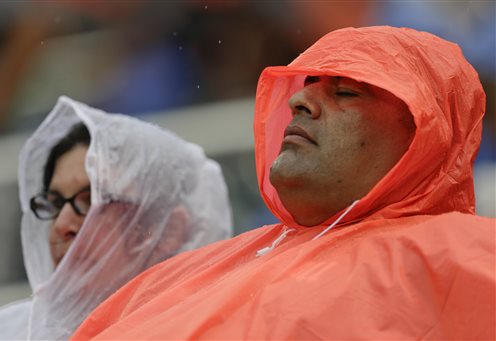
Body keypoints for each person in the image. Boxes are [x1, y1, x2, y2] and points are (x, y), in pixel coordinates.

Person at [72, 26, 495, 340]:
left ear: (424, 131)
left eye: (345, 91)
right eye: (307, 85)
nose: (298, 100)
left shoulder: (462, 257)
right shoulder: (191, 270)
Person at [0, 96, 232, 340]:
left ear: (168, 230)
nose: (61, 226)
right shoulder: (3, 334)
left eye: (93, 200)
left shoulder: (216, 332)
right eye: (56, 203)